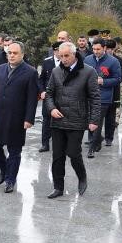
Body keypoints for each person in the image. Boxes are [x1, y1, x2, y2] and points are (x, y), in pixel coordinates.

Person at [44, 42, 100, 198]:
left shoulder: (88, 72)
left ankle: (82, 176)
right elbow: (48, 94)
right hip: (58, 120)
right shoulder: (56, 72)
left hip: (77, 119)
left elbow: (95, 98)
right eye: (60, 56)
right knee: (57, 156)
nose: (63, 59)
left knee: (73, 153)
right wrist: (52, 109)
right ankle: (58, 187)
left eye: (66, 56)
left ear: (74, 54)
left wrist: (94, 120)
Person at [0, 42, 39, 193]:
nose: (12, 55)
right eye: (10, 53)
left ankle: (10, 180)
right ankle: (4, 169)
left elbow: (31, 99)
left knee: (14, 151)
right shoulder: (0, 69)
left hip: (17, 118)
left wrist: (29, 119)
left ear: (22, 54)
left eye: (15, 53)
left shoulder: (30, 72)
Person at [83, 39, 121, 157]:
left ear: (104, 48)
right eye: (94, 49)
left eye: (98, 49)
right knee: (89, 120)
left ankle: (92, 148)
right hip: (88, 95)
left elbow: (118, 79)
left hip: (103, 96)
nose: (95, 51)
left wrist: (103, 81)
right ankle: (97, 139)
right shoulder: (87, 59)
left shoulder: (113, 61)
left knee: (97, 121)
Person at [38, 41, 61, 152]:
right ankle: (45, 144)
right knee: (46, 120)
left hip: (62, 96)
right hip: (48, 95)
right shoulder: (47, 62)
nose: (58, 52)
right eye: (56, 50)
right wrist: (42, 91)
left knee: (61, 120)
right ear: (54, 50)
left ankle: (61, 144)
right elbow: (41, 79)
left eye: (60, 50)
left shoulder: (68, 62)